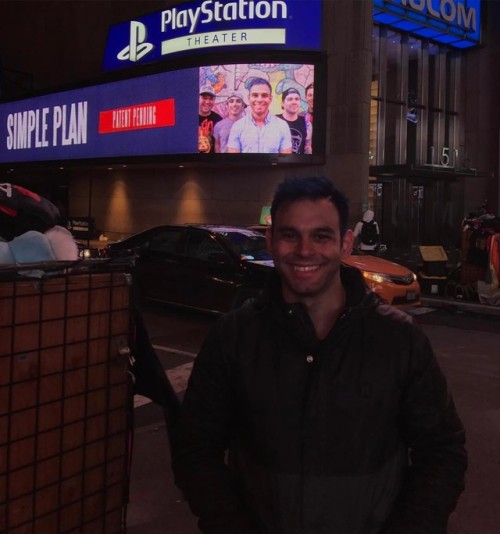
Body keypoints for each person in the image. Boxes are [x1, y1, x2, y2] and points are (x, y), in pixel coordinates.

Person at [172, 176, 467, 534]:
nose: (305, 250)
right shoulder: (233, 337)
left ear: (345, 243)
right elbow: (195, 449)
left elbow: (441, 451)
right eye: (290, 234)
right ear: (271, 241)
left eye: (321, 236)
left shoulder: (399, 339)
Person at [226, 77, 292, 154]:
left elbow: (285, 161)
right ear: (249, 98)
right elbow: (234, 162)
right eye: (255, 95)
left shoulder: (282, 126)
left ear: (270, 99)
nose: (259, 100)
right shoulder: (237, 126)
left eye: (264, 95)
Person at [277, 87, 312, 154]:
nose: (294, 102)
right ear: (282, 103)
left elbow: (307, 147)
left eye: (297, 99)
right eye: (290, 99)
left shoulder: (306, 123)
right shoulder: (274, 121)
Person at [198, 85, 222, 154]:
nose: (207, 102)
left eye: (211, 99)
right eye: (204, 98)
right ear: (198, 98)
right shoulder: (189, 117)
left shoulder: (218, 120)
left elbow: (219, 145)